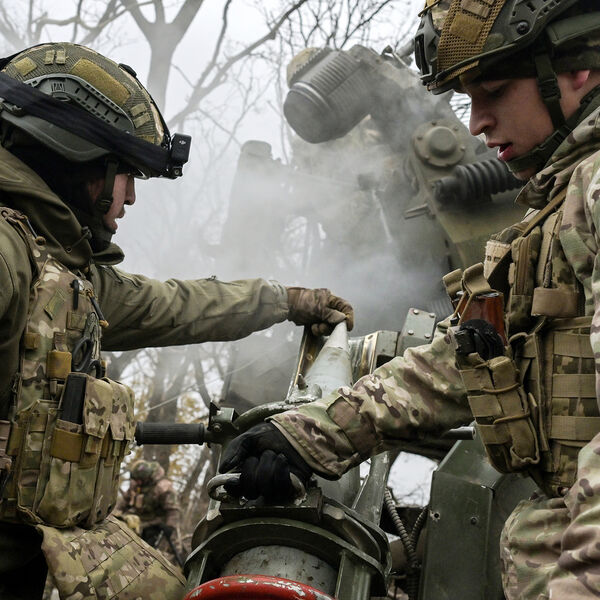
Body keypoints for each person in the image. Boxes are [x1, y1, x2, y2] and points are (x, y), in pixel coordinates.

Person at [219, 1, 600, 598]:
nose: (477, 122)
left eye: (494, 92)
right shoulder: (560, 204)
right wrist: (311, 435)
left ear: (576, 69)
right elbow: (462, 359)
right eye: (467, 99)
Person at [0, 42, 353, 600]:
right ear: (76, 155)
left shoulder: (60, 271)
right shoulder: (7, 253)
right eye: (125, 174)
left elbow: (174, 304)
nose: (131, 198)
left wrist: (285, 301)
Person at [115, 460, 184, 566]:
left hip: (159, 522)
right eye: (136, 480)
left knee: (172, 548)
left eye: (140, 480)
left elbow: (173, 510)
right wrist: (115, 514)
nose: (137, 482)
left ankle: (179, 564)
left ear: (147, 478)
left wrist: (170, 526)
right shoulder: (135, 484)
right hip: (141, 520)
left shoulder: (163, 487)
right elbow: (124, 501)